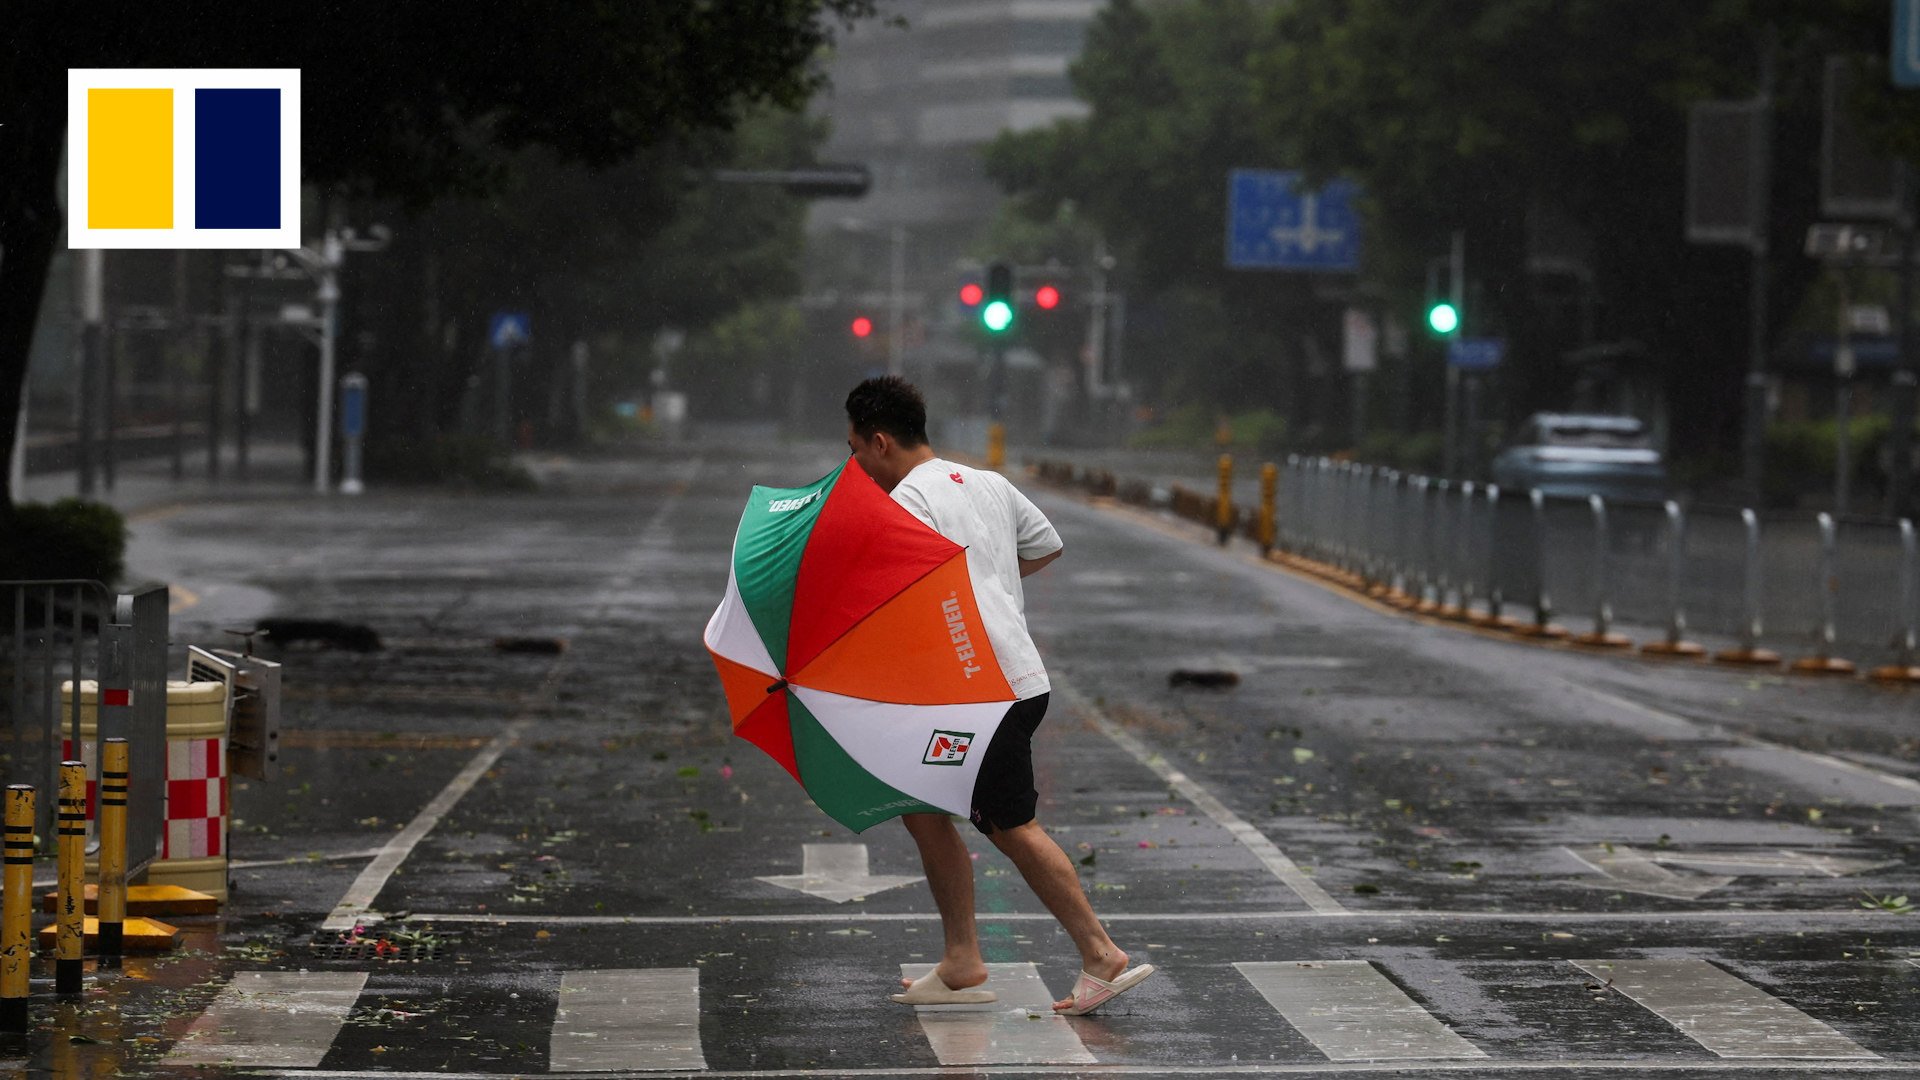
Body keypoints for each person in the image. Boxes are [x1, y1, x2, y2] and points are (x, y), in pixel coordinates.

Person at [843, 375, 1155, 1017]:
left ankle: (1101, 952)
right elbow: (1045, 546)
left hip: (980, 692)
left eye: (855, 450)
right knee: (922, 806)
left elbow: (898, 599)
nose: (854, 464)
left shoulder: (904, 502)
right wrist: (990, 579)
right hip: (998, 679)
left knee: (1012, 826)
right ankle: (962, 958)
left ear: (878, 442)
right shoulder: (986, 482)